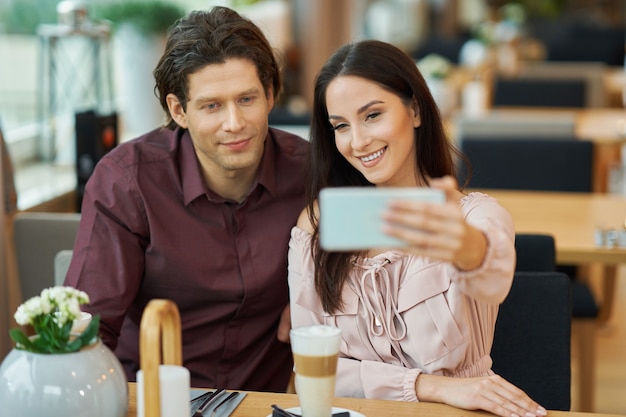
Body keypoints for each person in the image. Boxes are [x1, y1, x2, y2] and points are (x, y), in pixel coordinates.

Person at [287, 39, 547, 417]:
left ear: (416, 111)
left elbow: (493, 279)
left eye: (372, 115)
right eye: (340, 126)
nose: (357, 141)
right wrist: (432, 387)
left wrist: (465, 250)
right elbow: (312, 367)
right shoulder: (319, 225)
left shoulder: (473, 216)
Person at [64, 6, 308, 392]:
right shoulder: (128, 183)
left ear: (271, 95)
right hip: (149, 397)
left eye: (247, 99)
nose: (234, 123)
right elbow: (86, 329)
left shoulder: (312, 173)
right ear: (179, 110)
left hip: (264, 401)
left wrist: (319, 296)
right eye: (212, 105)